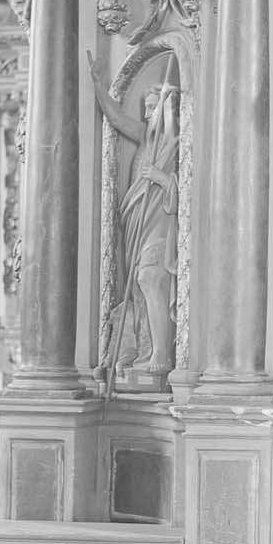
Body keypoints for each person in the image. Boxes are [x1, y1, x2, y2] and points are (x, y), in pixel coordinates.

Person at [89, 55, 180, 375]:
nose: (146, 114)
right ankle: (143, 347)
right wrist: (99, 85)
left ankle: (161, 354)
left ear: (167, 110)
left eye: (152, 108)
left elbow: (187, 189)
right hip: (136, 220)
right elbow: (116, 118)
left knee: (151, 278)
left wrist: (161, 178)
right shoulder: (145, 138)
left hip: (160, 220)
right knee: (140, 286)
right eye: (145, 109)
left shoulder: (178, 143)